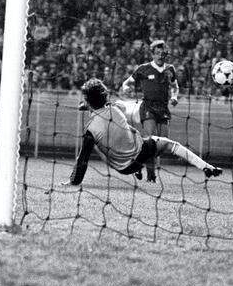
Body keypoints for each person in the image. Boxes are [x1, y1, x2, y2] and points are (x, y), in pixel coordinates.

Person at [65, 78, 221, 186]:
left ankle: (136, 167)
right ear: (104, 97)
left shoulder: (91, 128)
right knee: (170, 145)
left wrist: (73, 182)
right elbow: (117, 106)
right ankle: (206, 167)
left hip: (123, 168)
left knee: (96, 145)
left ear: (87, 100)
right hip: (142, 152)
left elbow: (82, 159)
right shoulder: (116, 109)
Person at [120, 39, 180, 182]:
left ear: (166, 54)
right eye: (157, 53)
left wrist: (175, 97)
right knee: (151, 141)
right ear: (152, 54)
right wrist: (126, 88)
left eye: (162, 53)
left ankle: (138, 161)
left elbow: (175, 86)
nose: (160, 56)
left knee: (163, 144)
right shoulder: (143, 68)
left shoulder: (170, 69)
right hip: (148, 108)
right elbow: (126, 82)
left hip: (163, 108)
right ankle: (151, 177)